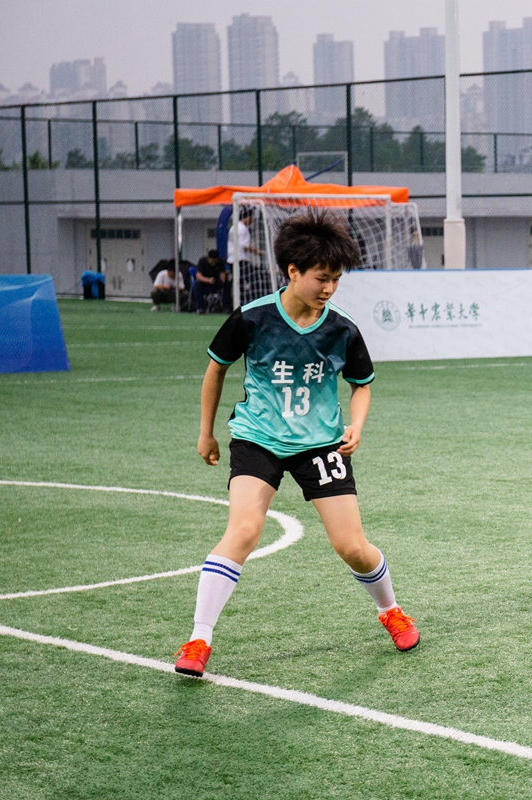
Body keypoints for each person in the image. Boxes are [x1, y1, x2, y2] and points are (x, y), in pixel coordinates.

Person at [174, 208, 420, 678]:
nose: (329, 288)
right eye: (321, 278)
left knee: (352, 546)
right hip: (258, 438)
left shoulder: (342, 328)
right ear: (292, 271)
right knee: (243, 531)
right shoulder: (252, 318)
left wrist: (356, 424)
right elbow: (216, 369)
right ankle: (199, 639)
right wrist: (206, 431)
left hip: (321, 445)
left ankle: (390, 610)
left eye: (336, 280)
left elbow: (362, 384)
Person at [193, 248, 226, 314]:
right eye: (212, 261)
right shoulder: (202, 261)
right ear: (208, 258)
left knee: (227, 284)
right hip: (204, 281)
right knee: (197, 285)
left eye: (215, 261)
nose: (214, 263)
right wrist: (208, 280)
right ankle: (201, 307)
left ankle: (226, 307)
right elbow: (198, 276)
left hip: (215, 281)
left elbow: (223, 274)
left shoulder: (220, 262)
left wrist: (222, 280)